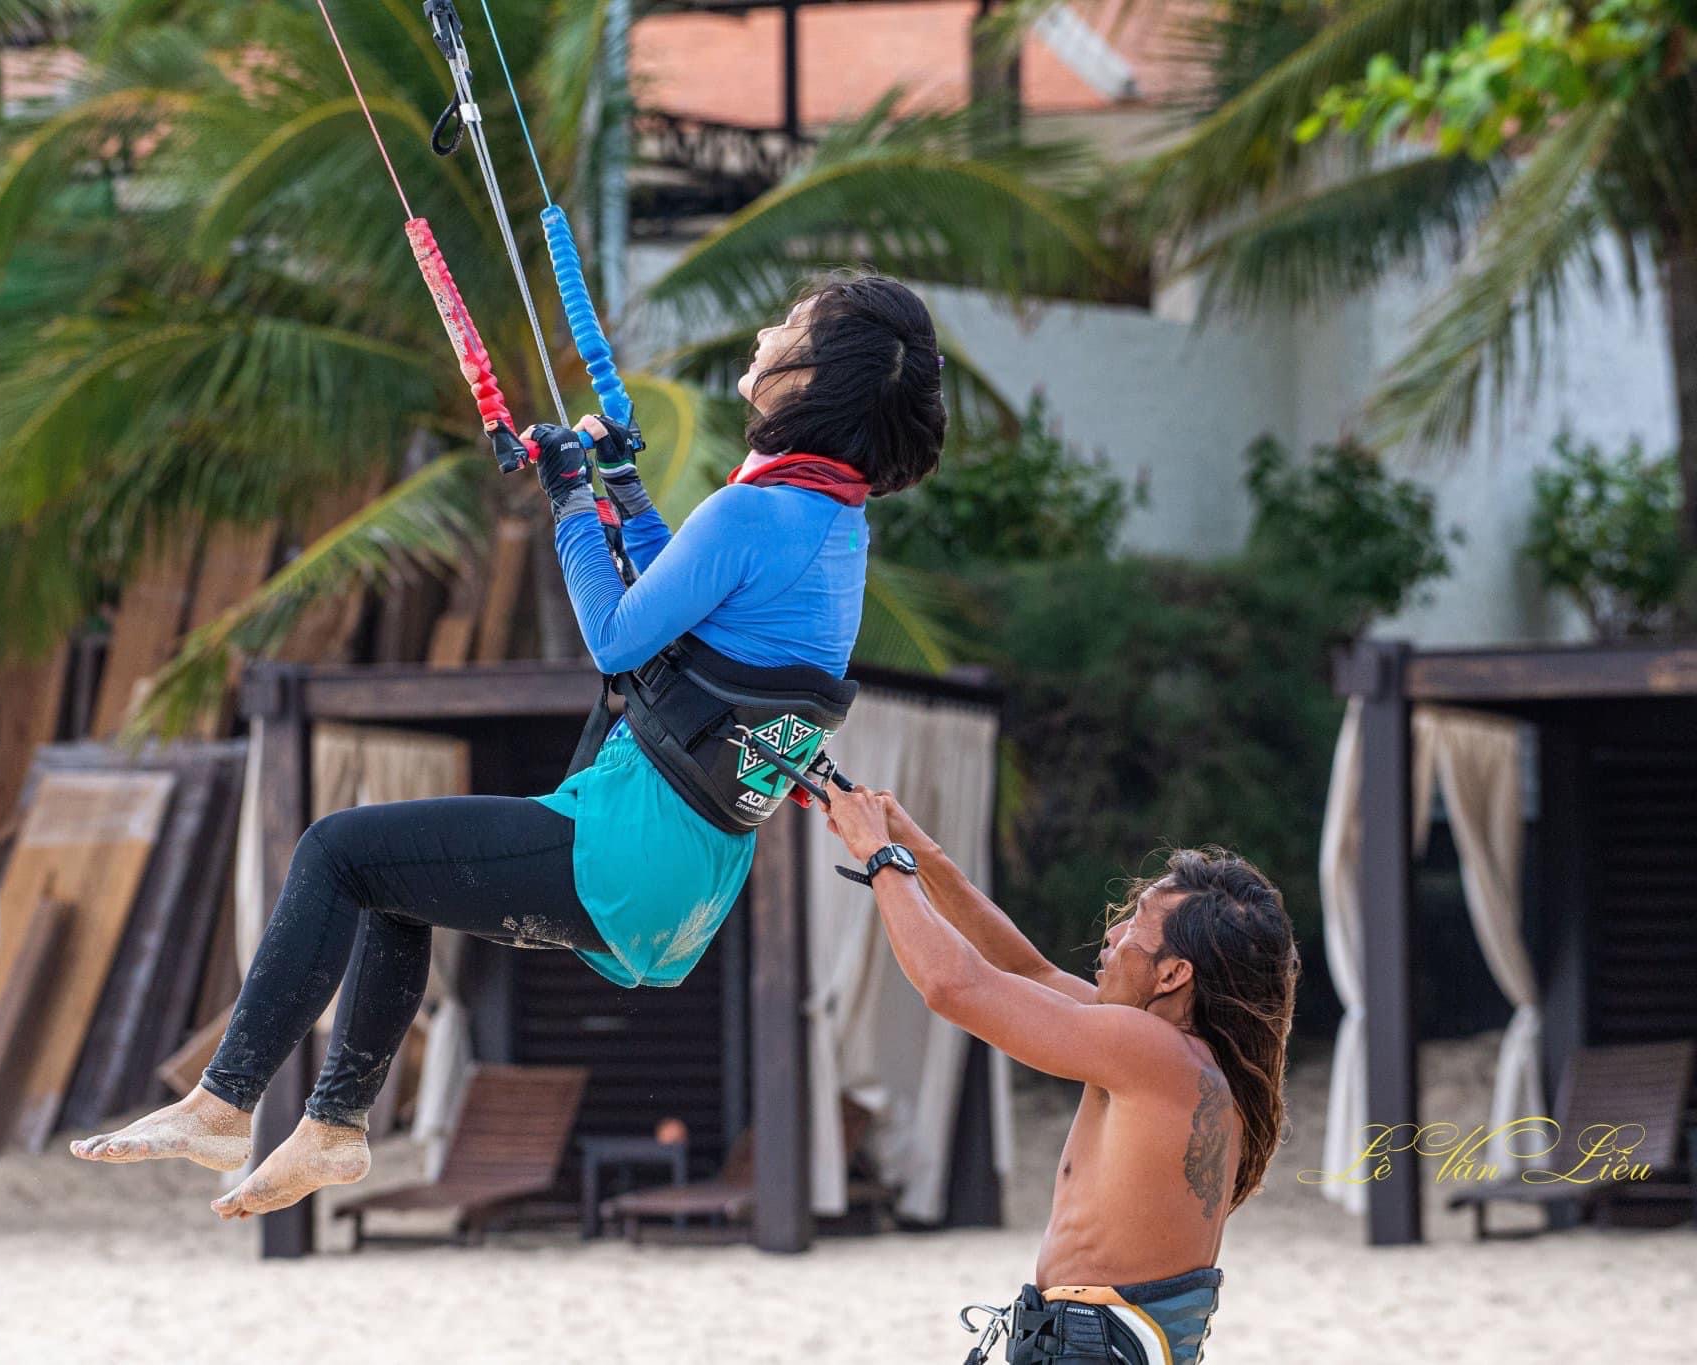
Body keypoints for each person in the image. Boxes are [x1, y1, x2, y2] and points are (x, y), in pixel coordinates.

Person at [73, 272, 948, 1219]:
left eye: (791, 326)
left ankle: (224, 1101)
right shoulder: (826, 521)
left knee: (336, 850)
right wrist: (617, 485)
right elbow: (677, 603)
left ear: (815, 379)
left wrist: (567, 494)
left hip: (630, 838)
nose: (768, 332)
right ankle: (333, 1126)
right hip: (683, 873)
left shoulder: (757, 511)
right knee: (396, 885)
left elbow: (616, 637)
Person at [821, 787, 1297, 1365]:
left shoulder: (1155, 1052)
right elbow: (1025, 968)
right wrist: (910, 841)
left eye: (1135, 925)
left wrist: (878, 856)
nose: (1112, 935)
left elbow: (953, 987)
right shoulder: (1179, 1059)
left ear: (1173, 974)